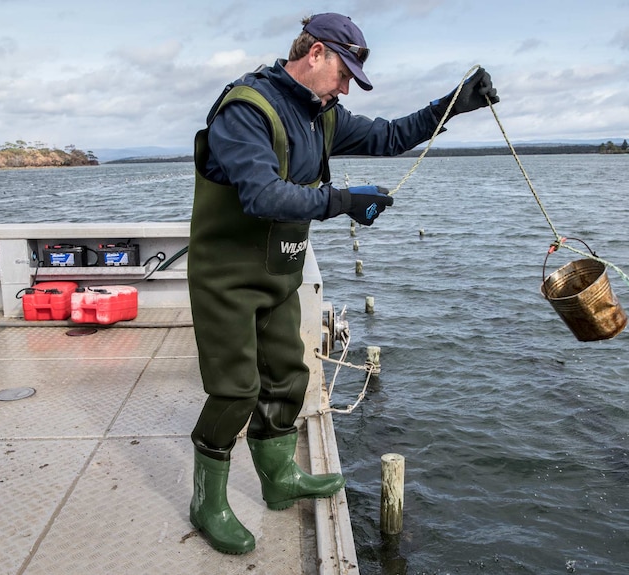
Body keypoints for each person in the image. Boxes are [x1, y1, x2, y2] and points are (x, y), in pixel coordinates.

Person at [187, 12, 499, 555]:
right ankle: (206, 500)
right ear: (315, 54)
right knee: (236, 389)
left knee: (286, 376)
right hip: (227, 277)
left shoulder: (322, 113)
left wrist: (455, 102)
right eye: (344, 71)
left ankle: (278, 478)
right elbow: (262, 195)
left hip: (279, 270)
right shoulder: (246, 109)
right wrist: (344, 201)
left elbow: (391, 135)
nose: (346, 85)